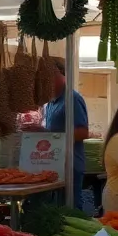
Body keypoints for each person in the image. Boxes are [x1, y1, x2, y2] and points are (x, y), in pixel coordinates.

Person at [42, 60, 89, 210]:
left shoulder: (72, 98)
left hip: (70, 165)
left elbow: (82, 132)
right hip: (54, 165)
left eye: (50, 76)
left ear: (62, 76)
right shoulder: (50, 103)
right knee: (56, 208)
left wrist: (56, 138)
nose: (45, 80)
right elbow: (51, 132)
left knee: (71, 209)